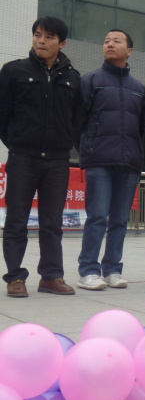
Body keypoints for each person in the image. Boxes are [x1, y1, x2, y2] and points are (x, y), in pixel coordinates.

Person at [0, 16, 82, 298]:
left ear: (62, 43)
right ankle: (15, 277)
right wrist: (17, 143)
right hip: (23, 157)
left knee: (52, 222)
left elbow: (77, 119)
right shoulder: (13, 71)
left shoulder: (72, 78)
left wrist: (65, 144)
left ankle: (51, 276)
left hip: (57, 161)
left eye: (48, 37)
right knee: (17, 220)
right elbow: (3, 115)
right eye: (37, 35)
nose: (41, 41)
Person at [76, 29, 145, 290]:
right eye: (106, 41)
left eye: (117, 41)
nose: (110, 44)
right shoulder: (91, 80)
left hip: (129, 163)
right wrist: (88, 149)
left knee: (119, 220)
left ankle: (113, 270)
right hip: (99, 162)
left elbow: (144, 127)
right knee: (97, 217)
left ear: (129, 51)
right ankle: (88, 270)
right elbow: (78, 121)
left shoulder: (139, 88)